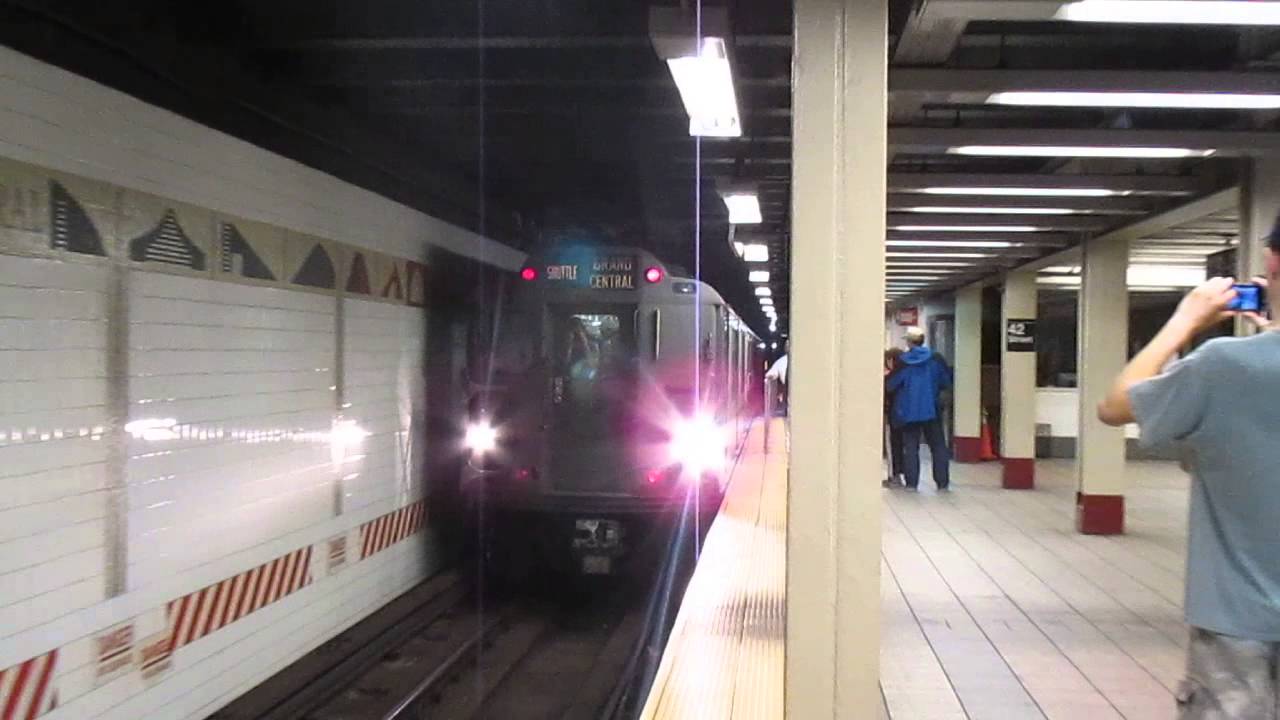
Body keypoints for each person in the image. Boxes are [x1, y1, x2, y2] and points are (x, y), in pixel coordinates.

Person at [1097, 267, 1278, 718]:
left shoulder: (1225, 365)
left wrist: (1185, 321)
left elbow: (1116, 405)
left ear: (1273, 265)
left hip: (1239, 620)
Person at [886, 326, 952, 491]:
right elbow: (946, 381)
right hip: (932, 410)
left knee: (910, 448)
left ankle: (912, 484)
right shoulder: (936, 359)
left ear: (909, 342)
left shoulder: (903, 362)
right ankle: (942, 483)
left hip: (908, 412)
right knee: (938, 447)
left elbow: (891, 385)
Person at [883, 347, 906, 487]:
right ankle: (910, 478)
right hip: (910, 415)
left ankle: (895, 476)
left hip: (895, 414)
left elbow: (888, 389)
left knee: (893, 445)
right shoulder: (910, 371)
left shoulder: (893, 376)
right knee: (908, 446)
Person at [765, 342, 789, 415]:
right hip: (787, 390)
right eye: (787, 346)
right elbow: (771, 373)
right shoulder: (781, 361)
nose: (788, 348)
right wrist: (770, 376)